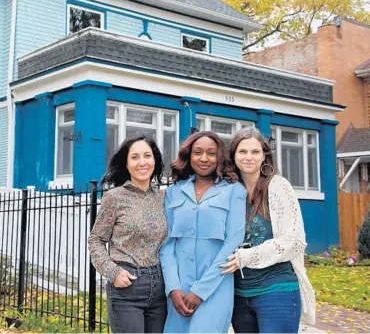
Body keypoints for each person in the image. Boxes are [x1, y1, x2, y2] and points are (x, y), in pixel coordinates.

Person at [221, 127, 316, 333]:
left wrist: (247, 257)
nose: (249, 157)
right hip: (239, 294)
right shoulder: (227, 192)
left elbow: (294, 241)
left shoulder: (278, 187)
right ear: (233, 155)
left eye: (255, 152)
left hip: (276, 290)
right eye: (242, 151)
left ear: (265, 155)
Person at [160, 131, 246, 333]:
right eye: (198, 152)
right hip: (179, 288)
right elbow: (166, 245)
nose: (204, 158)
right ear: (189, 156)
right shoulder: (173, 192)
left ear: (220, 157)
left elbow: (232, 244)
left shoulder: (235, 191)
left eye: (211, 153)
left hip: (215, 286)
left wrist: (200, 291)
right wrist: (173, 288)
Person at [88, 135, 168, 333]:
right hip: (127, 286)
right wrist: (113, 272)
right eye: (135, 157)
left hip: (161, 287)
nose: (142, 162)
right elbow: (96, 240)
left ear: (155, 160)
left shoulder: (164, 197)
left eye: (147, 156)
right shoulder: (114, 197)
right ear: (126, 163)